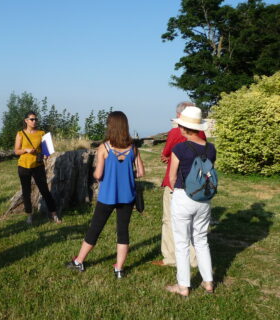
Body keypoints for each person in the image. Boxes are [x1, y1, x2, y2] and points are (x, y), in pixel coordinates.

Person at [66, 111, 144, 278]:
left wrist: (99, 172)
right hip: (127, 197)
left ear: (110, 126)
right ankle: (119, 268)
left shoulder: (104, 148)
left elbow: (98, 174)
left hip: (108, 195)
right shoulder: (133, 148)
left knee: (95, 229)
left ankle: (79, 261)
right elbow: (141, 172)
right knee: (123, 231)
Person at [165, 106, 215, 297]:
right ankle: (208, 282)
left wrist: (176, 192)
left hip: (183, 196)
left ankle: (183, 286)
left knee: (181, 243)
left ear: (184, 128)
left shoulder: (179, 148)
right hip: (204, 198)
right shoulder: (210, 148)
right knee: (201, 240)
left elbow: (172, 176)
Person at [152, 102, 206, 268]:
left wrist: (169, 158)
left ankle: (171, 257)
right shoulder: (201, 134)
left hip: (176, 182)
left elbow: (166, 152)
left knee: (169, 220)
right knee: (193, 223)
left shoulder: (175, 132)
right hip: (196, 183)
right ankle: (194, 258)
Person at [14, 111, 61, 224]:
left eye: (35, 119)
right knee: (26, 192)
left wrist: (46, 155)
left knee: (45, 190)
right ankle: (29, 215)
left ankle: (54, 215)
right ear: (26, 121)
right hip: (24, 165)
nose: (34, 121)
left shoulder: (41, 133)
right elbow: (16, 151)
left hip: (38, 166)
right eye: (32, 119)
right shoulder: (20, 133)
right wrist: (26, 150)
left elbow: (48, 151)